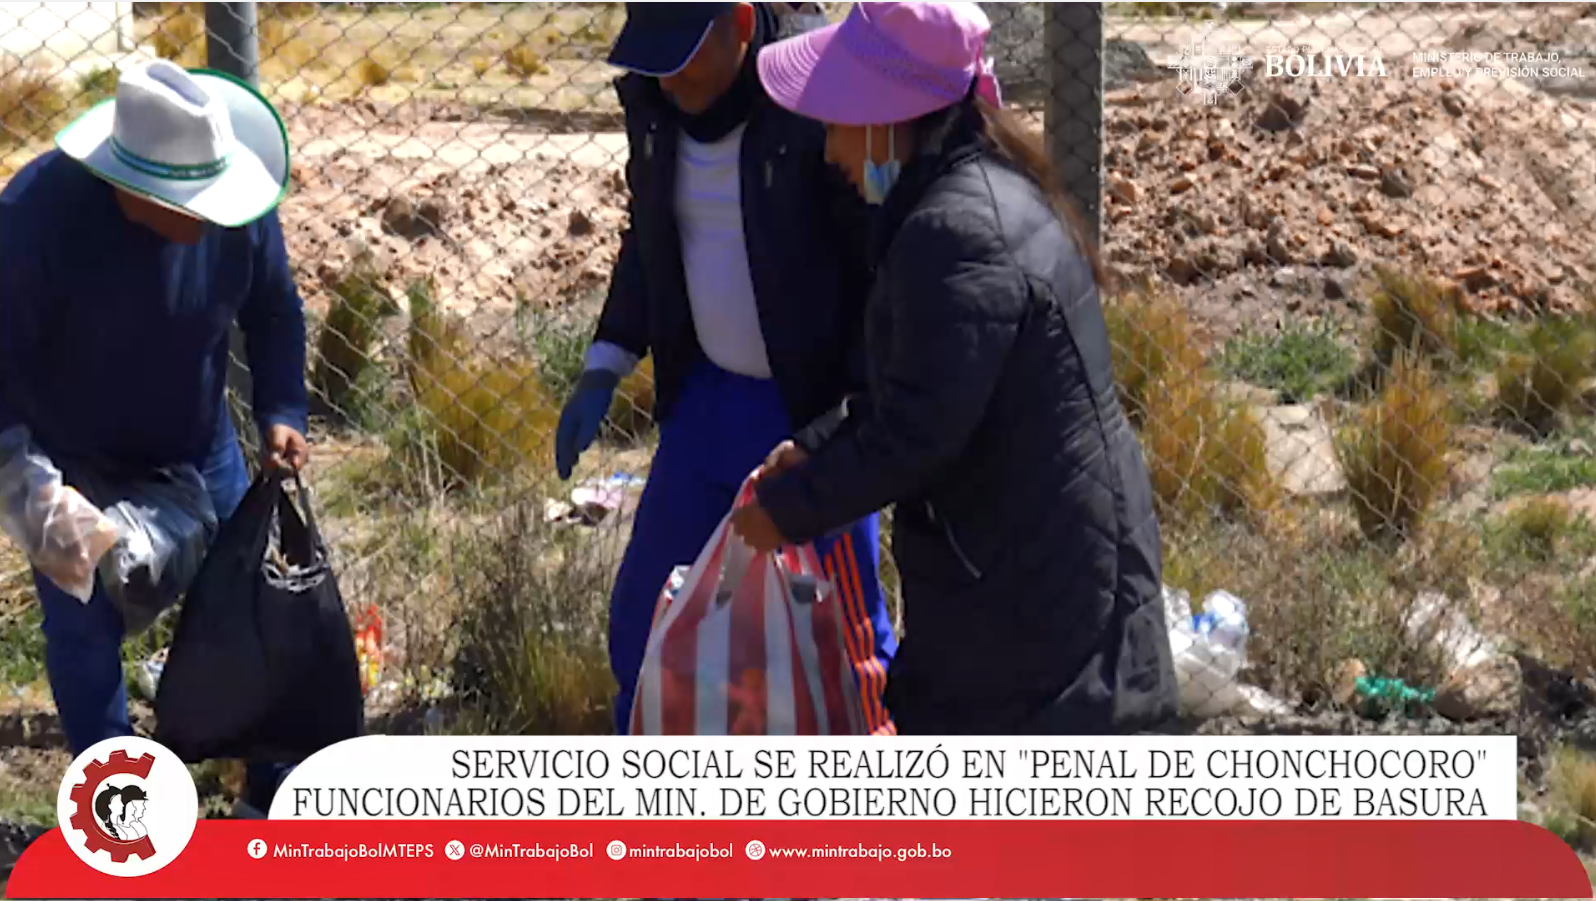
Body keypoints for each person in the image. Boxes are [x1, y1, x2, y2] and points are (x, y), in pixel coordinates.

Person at [732, 1, 1180, 735]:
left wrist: (785, 513)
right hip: (1044, 582)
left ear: (884, 119)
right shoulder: (983, 197)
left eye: (838, 121)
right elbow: (924, 385)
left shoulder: (956, 235)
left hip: (1035, 623)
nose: (831, 151)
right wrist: (814, 445)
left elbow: (914, 436)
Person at [557, 2, 898, 735]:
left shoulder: (816, 98)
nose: (667, 72)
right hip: (708, 403)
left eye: (682, 50)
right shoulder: (653, 100)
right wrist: (606, 360)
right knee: (645, 618)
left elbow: (879, 273)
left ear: (741, 22)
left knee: (845, 634)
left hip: (811, 414)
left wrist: (845, 420)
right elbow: (648, 237)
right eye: (653, 53)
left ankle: (871, 811)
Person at [0, 60, 309, 813]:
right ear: (131, 189)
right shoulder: (36, 220)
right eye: (190, 204)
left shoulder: (236, 204)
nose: (211, 215)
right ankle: (123, 811)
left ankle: (268, 793)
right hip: (73, 458)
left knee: (249, 608)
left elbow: (274, 310)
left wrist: (283, 409)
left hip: (200, 446)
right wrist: (30, 487)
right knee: (83, 629)